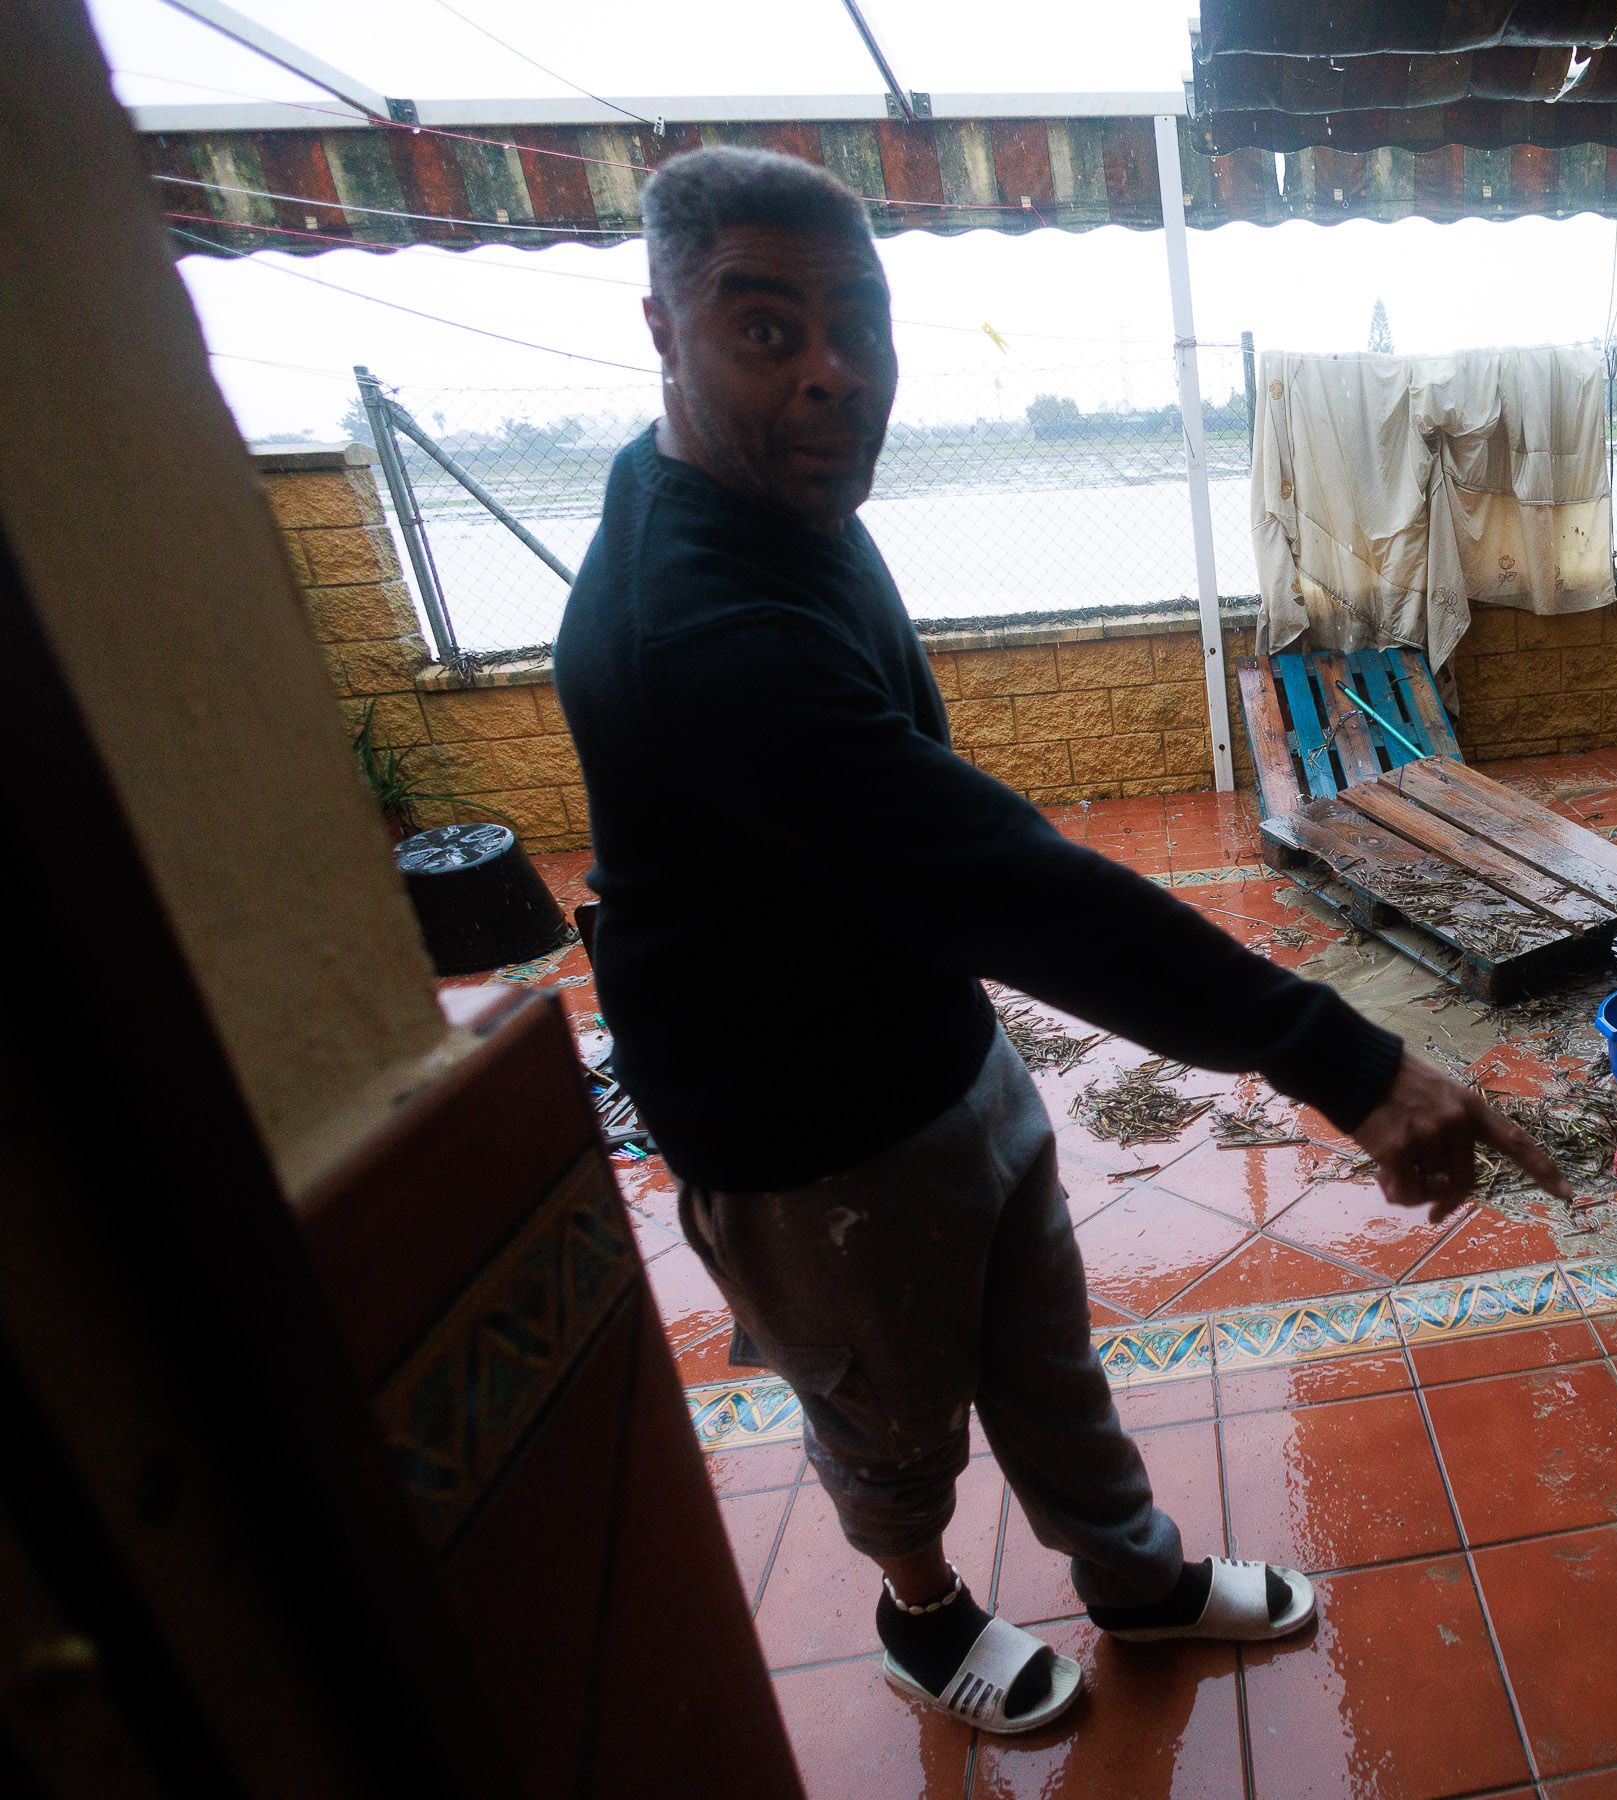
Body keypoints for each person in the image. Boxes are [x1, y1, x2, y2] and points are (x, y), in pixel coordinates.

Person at [553, 147, 1565, 1736]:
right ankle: (924, 1613)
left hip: (933, 1045)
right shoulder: (701, 629)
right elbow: (1008, 883)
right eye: (764, 330)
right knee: (889, 1424)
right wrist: (1346, 1061)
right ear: (663, 332)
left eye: (857, 326)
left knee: (1044, 1356)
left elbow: (934, 845)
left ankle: (1136, 1583)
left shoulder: (747, 492)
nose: (831, 376)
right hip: (800, 1137)